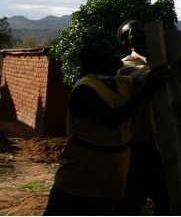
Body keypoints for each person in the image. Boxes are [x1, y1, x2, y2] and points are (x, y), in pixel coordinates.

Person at [43, 37, 167, 216]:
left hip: (110, 180)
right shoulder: (85, 89)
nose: (115, 51)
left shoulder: (123, 83)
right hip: (79, 179)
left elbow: (152, 81)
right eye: (106, 50)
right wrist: (147, 87)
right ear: (95, 61)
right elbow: (112, 120)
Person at [115, 19, 169, 215]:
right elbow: (150, 77)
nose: (143, 35)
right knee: (130, 203)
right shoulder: (126, 67)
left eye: (144, 29)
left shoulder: (161, 60)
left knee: (168, 202)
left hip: (164, 148)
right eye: (135, 33)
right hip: (140, 149)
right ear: (127, 44)